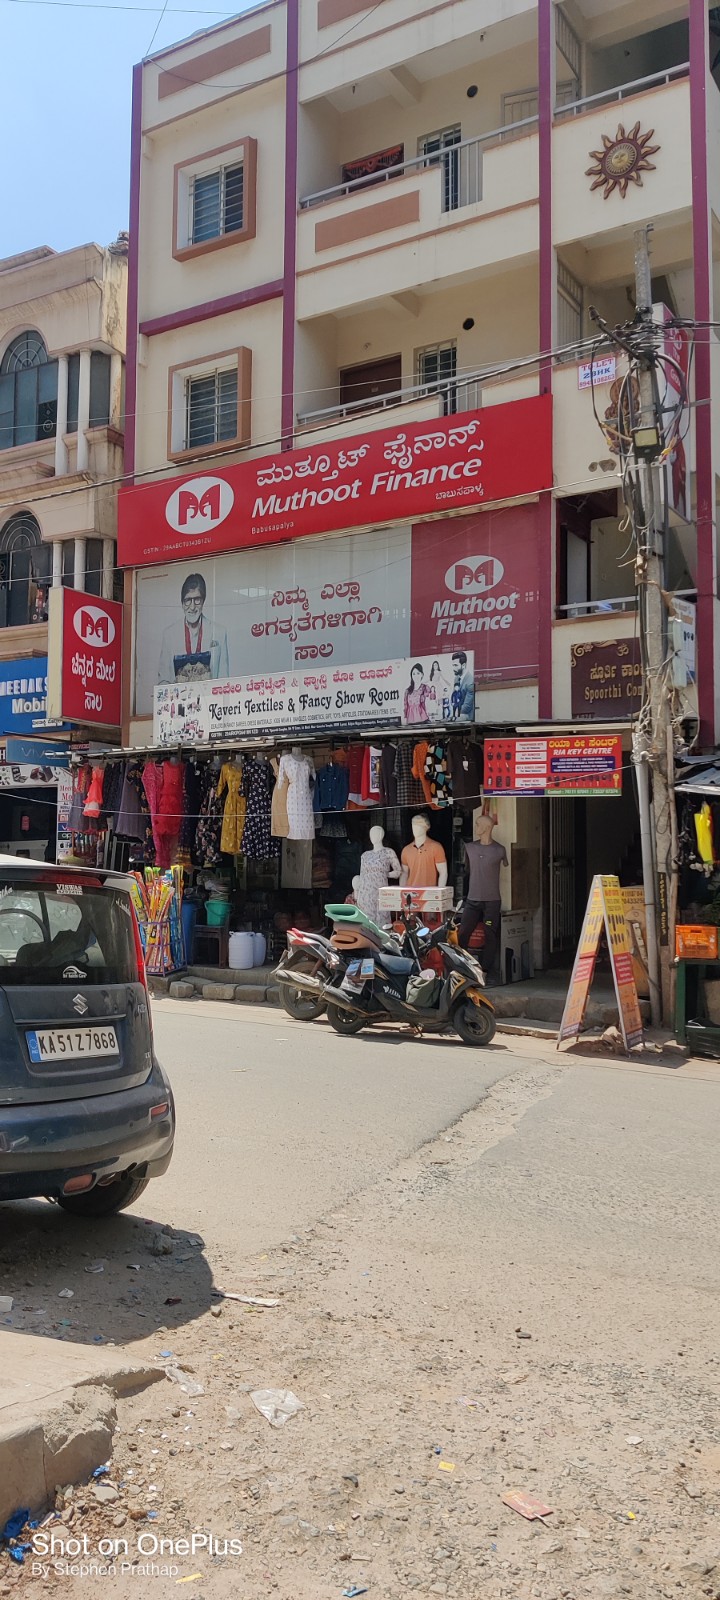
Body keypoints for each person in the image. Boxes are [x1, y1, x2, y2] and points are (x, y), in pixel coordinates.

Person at [158, 573, 229, 684]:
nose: (192, 607)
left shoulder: (219, 632)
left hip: (210, 699)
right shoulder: (169, 634)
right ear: (182, 603)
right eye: (187, 600)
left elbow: (224, 680)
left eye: (197, 599)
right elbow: (163, 680)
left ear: (203, 601)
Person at [451, 651, 475, 720]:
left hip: (466, 717)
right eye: (453, 665)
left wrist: (455, 716)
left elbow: (467, 707)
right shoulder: (456, 678)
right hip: (457, 714)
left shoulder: (470, 682)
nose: (453, 668)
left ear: (463, 665)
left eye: (456, 665)